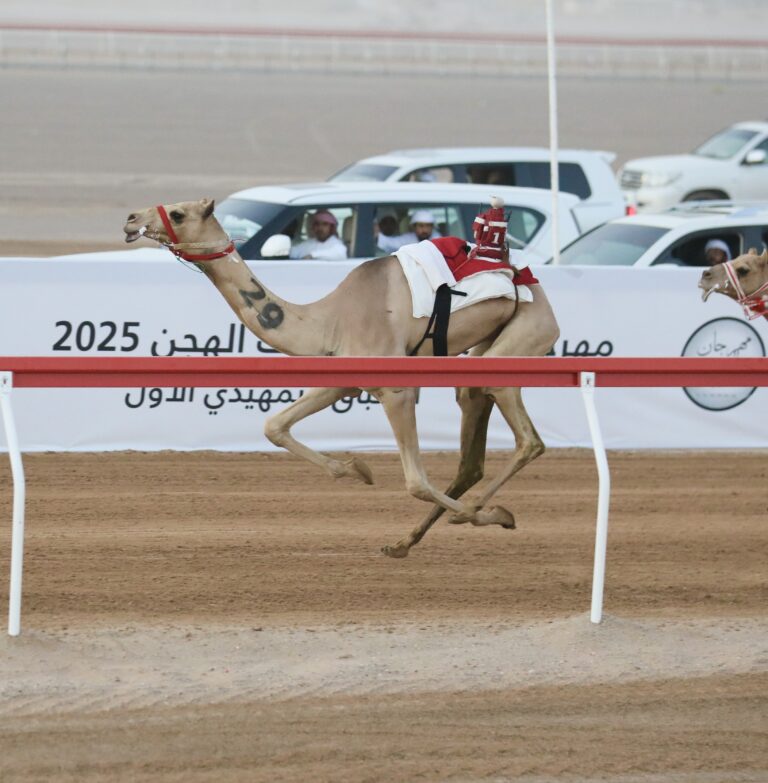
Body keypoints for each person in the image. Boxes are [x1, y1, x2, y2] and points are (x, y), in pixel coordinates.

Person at [376, 209, 442, 253]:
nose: (424, 230)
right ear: (414, 227)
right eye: (421, 226)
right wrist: (376, 234)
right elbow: (390, 243)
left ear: (432, 227)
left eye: (428, 226)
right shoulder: (408, 239)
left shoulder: (438, 240)